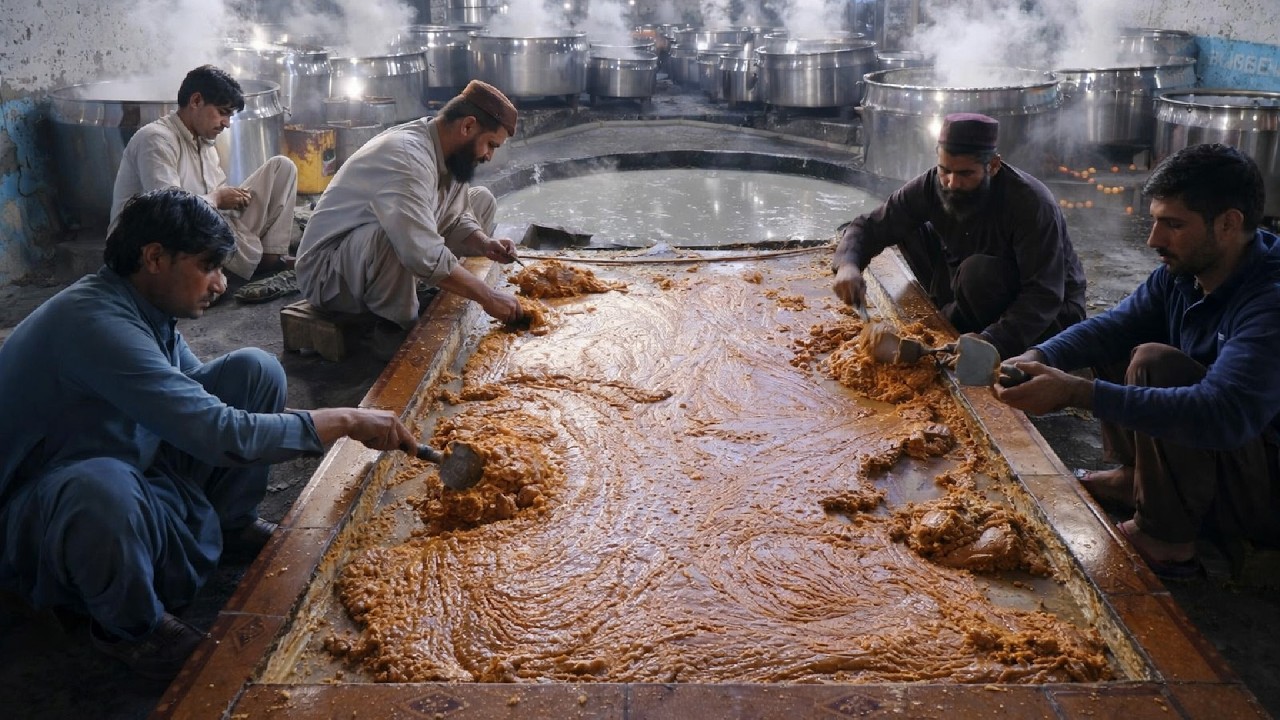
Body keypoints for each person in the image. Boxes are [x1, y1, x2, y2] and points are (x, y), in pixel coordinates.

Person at [0, 189, 422, 680]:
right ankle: (130, 627)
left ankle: (230, 525)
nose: (221, 283)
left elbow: (207, 407)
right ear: (154, 257)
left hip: (123, 457)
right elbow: (217, 432)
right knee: (101, 491)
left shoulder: (142, 308)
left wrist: (297, 425)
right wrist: (346, 421)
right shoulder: (93, 323)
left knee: (253, 371)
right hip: (41, 507)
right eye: (208, 266)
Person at [995, 143, 1280, 579]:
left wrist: (1076, 391)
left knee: (1155, 364)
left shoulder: (1269, 299)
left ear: (1229, 224)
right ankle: (1139, 479)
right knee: (1118, 344)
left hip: (1264, 483)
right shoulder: (1183, 273)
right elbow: (1113, 325)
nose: (1153, 240)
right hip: (1226, 454)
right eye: (1154, 221)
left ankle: (1165, 540)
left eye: (1173, 224)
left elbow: (1224, 414)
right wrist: (1040, 354)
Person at [295, 79, 524, 356]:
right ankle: (394, 327)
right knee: (395, 238)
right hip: (327, 273)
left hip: (369, 260)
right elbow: (420, 251)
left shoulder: (450, 151)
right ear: (467, 126)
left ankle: (416, 287)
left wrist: (485, 244)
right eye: (490, 145)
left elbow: (455, 216)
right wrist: (488, 298)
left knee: (481, 199)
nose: (489, 155)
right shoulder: (406, 156)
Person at [832, 112, 1087, 358]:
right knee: (907, 227)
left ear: (993, 166)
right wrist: (848, 265)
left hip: (1045, 311)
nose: (952, 183)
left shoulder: (1031, 203)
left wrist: (992, 340)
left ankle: (960, 324)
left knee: (978, 273)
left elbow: (1044, 294)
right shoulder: (933, 184)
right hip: (964, 282)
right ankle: (953, 317)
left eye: (965, 174)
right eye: (945, 170)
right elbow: (871, 225)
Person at [111, 64, 300, 302]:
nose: (227, 123)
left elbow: (218, 211)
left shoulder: (205, 145)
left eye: (230, 116)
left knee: (282, 168)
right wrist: (217, 199)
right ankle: (227, 273)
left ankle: (269, 262)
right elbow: (166, 212)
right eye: (222, 112)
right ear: (196, 101)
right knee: (198, 226)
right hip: (154, 240)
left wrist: (232, 200)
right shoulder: (157, 139)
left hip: (205, 230)